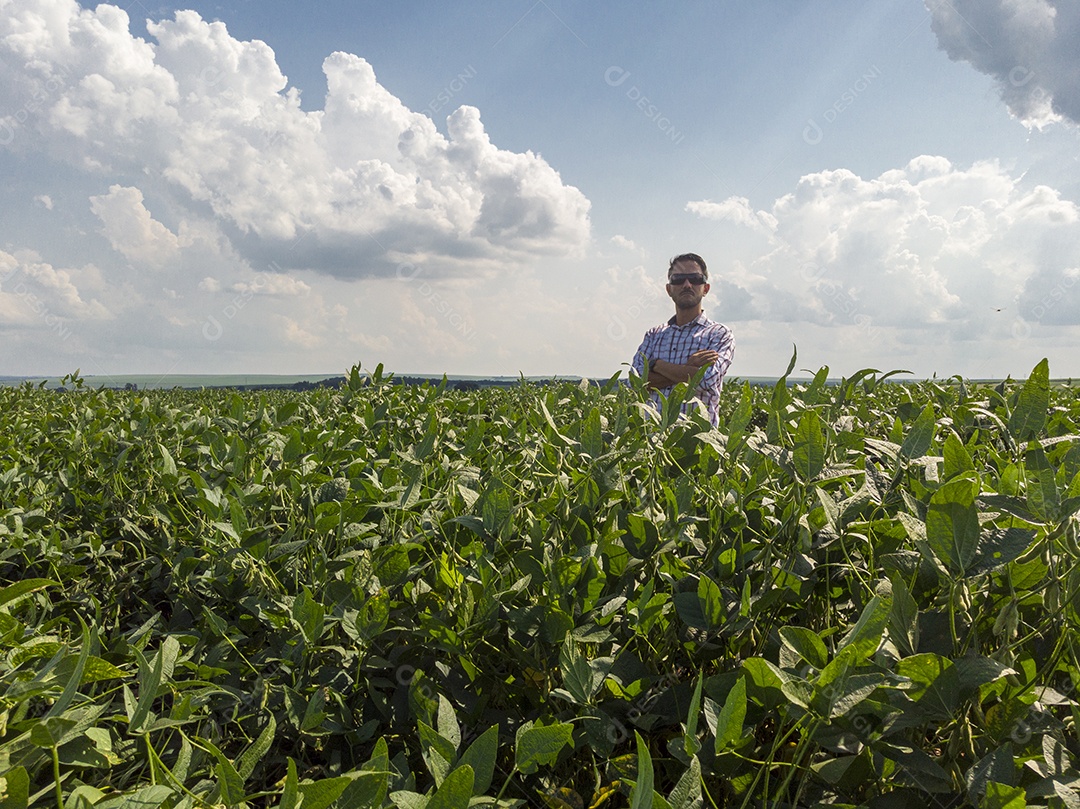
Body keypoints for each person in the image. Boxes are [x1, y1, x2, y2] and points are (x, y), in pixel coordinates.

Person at [631, 253, 735, 426]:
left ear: (706, 288)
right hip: (653, 445)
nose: (687, 284)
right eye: (678, 279)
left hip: (699, 444)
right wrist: (689, 369)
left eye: (695, 278)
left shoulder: (719, 334)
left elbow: (707, 380)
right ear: (669, 289)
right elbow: (634, 382)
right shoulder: (654, 335)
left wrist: (657, 365)